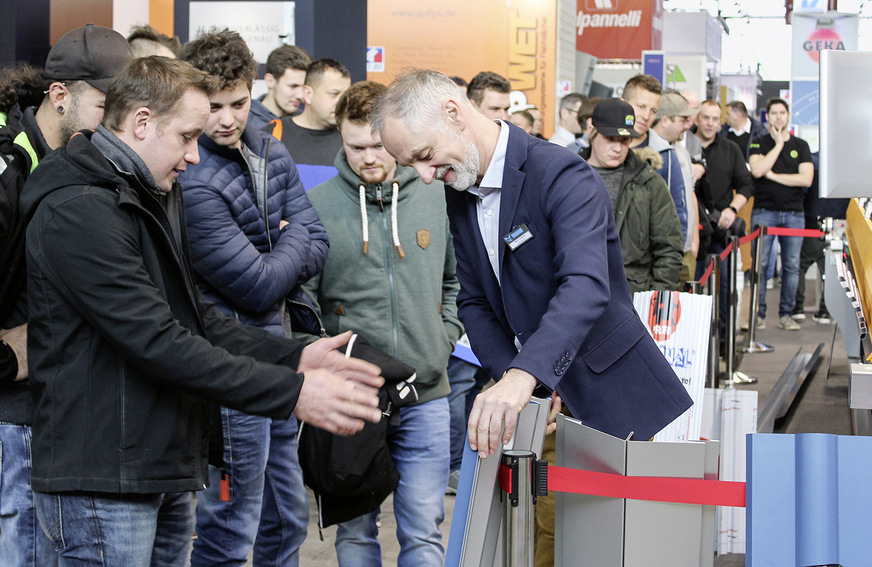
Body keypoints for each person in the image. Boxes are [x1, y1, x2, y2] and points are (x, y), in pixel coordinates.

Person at [20, 55, 384, 566]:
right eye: (188, 136)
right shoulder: (79, 209)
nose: (195, 155)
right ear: (142, 123)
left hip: (155, 460)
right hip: (103, 475)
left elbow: (193, 318)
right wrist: (294, 392)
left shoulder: (149, 191)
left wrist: (293, 358)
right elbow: (156, 340)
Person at [373, 71, 691, 567]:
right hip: (538, 404)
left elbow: (586, 286)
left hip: (606, 392)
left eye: (423, 154)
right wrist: (520, 379)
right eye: (412, 164)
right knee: (548, 535)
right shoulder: (461, 189)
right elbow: (474, 301)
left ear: (454, 113)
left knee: (615, 541)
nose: (426, 175)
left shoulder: (561, 174)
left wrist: (526, 377)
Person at [179, 30, 325, 566]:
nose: (225, 118)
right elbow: (259, 283)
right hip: (228, 368)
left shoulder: (269, 147)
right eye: (212, 106)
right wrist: (291, 237)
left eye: (237, 103)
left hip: (280, 355)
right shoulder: (190, 174)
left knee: (286, 520)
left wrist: (283, 249)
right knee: (229, 527)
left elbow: (320, 243)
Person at [305, 79, 463, 567]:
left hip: (427, 392)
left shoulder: (437, 196)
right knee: (354, 534)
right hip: (352, 396)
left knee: (423, 531)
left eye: (378, 145)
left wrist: (443, 339)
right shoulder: (318, 205)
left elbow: (455, 282)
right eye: (356, 147)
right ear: (341, 139)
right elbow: (304, 303)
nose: (368, 158)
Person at [0, 24, 133, 567]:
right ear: (61, 96)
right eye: (106, 104)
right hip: (18, 404)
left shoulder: (99, 159)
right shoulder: (9, 165)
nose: (119, 121)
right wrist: (6, 362)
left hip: (72, 403)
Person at [580, 98, 683, 293]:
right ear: (593, 133)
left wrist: (657, 302)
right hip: (578, 291)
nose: (618, 148)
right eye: (610, 139)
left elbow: (668, 249)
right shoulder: (567, 178)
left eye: (625, 141)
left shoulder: (649, 182)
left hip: (632, 296)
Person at [748, 98, 814, 331]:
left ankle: (787, 314)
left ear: (788, 116)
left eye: (781, 113)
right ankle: (759, 314)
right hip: (764, 212)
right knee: (761, 266)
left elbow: (806, 179)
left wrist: (773, 176)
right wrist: (777, 145)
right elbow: (757, 170)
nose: (777, 117)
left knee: (791, 266)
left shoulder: (801, 145)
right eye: (773, 113)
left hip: (794, 214)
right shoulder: (759, 143)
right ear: (768, 117)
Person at [694, 99, 753, 336]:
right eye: (705, 117)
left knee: (724, 287)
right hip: (693, 231)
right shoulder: (684, 145)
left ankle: (724, 340)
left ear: (721, 122)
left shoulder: (731, 149)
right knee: (694, 287)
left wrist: (732, 209)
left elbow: (747, 186)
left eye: (715, 119)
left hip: (721, 230)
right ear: (697, 118)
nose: (709, 123)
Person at [623, 75, 688, 247]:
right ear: (623, 103)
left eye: (653, 111)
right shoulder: (602, 149)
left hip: (649, 259)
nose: (646, 116)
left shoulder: (666, 155)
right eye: (641, 106)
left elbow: (677, 213)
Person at [268, 58, 351, 189]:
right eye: (334, 94)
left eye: (345, 96)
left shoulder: (353, 139)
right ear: (308, 94)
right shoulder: (271, 135)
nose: (342, 103)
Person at [650, 92, 700, 285]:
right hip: (664, 254)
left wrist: (694, 240)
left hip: (687, 250)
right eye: (683, 120)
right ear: (664, 120)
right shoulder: (651, 153)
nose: (688, 125)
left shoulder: (682, 151)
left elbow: (690, 196)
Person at [248, 44, 312, 130]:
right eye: (293, 86)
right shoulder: (246, 122)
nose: (300, 96)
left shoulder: (305, 122)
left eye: (304, 87)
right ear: (270, 81)